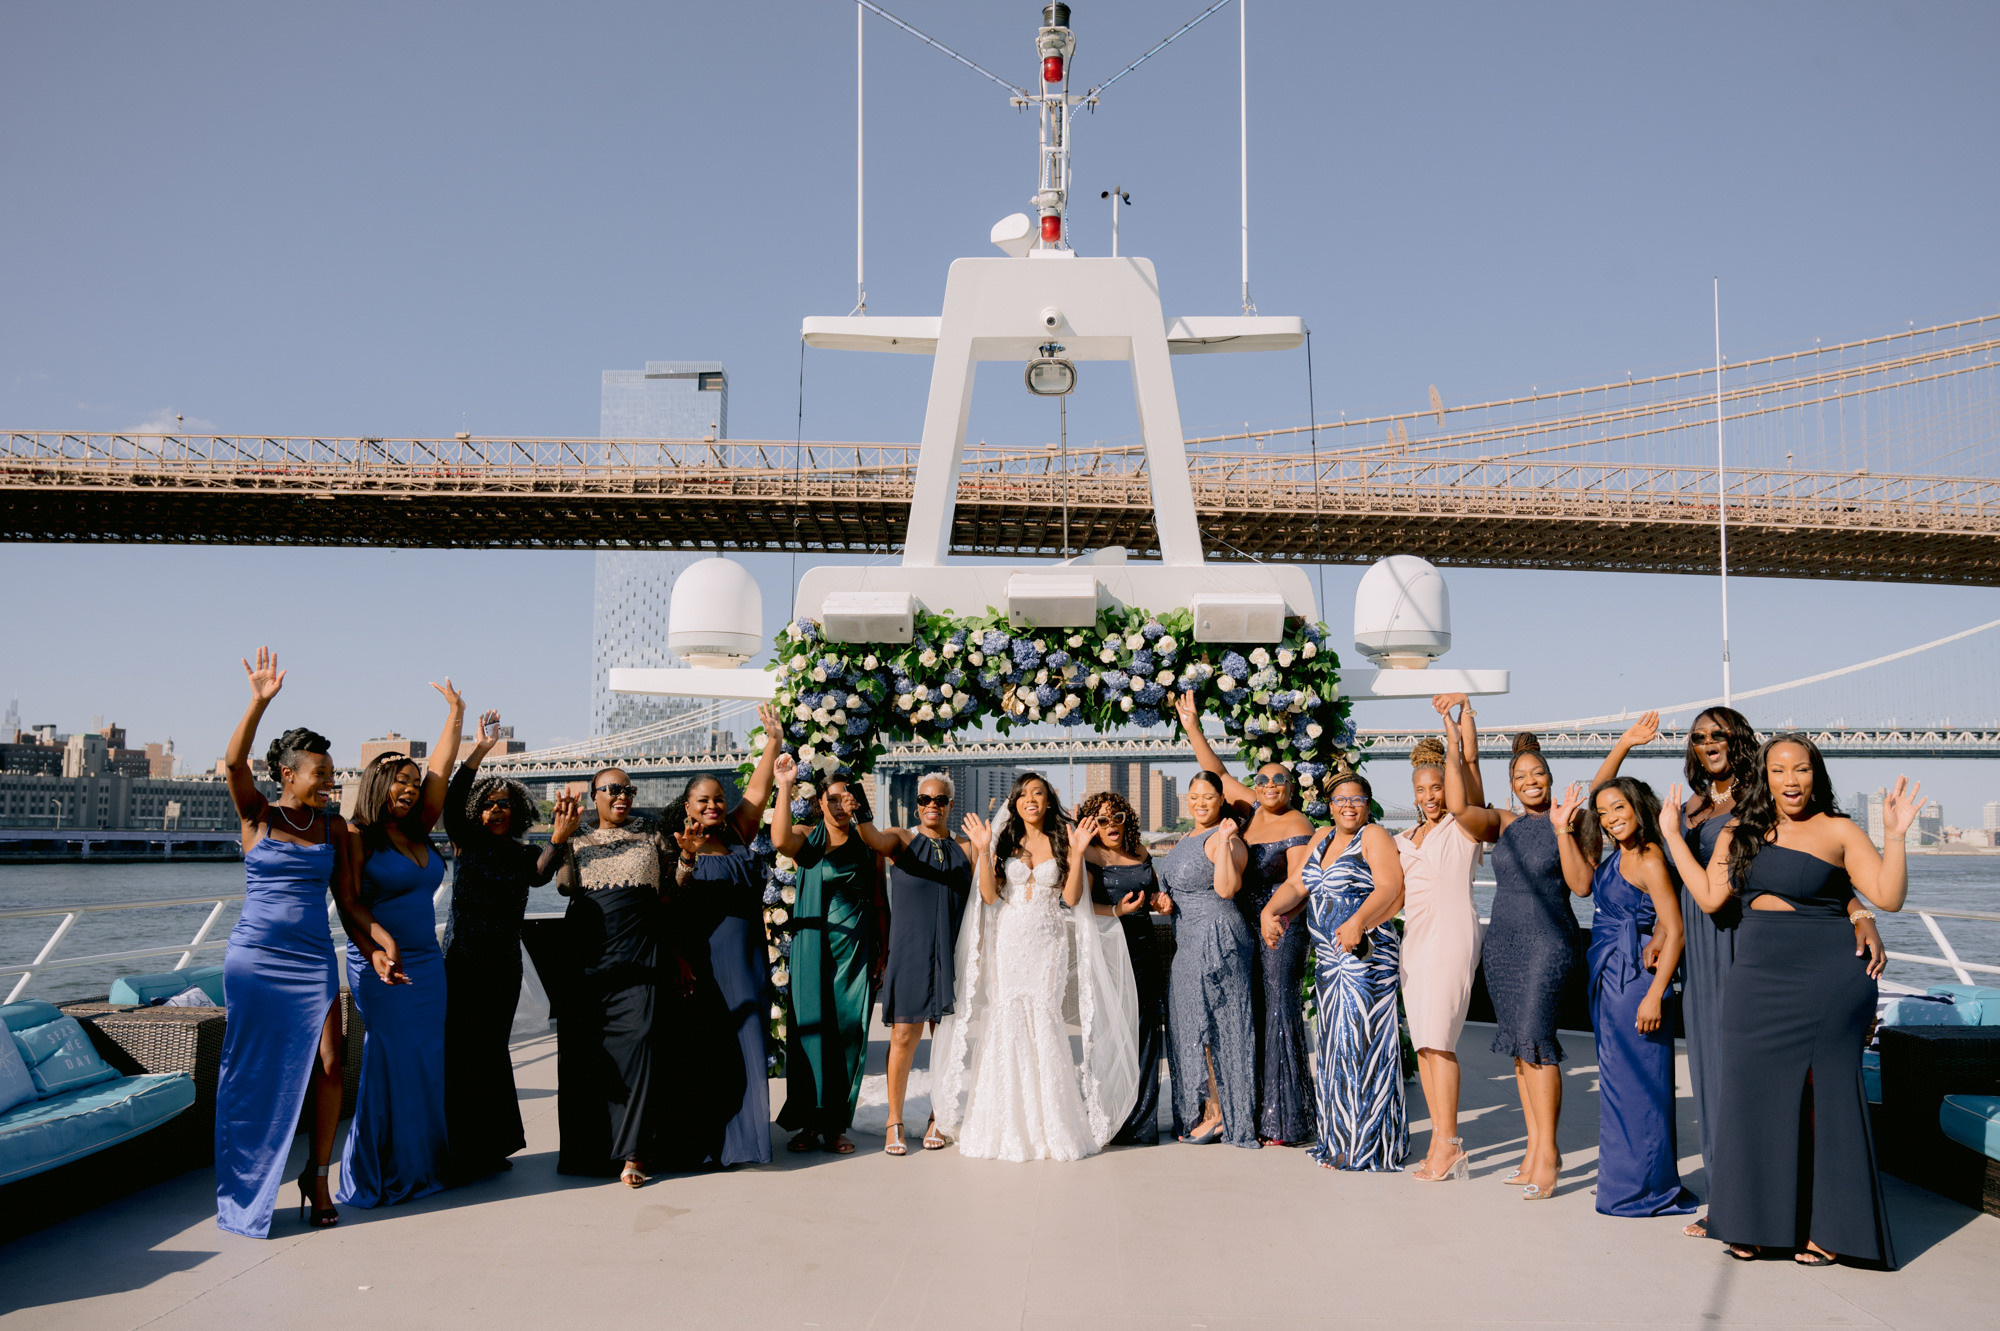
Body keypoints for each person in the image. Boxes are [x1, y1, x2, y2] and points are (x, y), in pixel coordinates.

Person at [1666, 736, 1916, 1268]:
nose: (1790, 780)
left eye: (1800, 769)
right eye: (1778, 770)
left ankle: (1831, 1231)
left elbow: (1888, 897)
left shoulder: (1840, 830)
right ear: (1766, 777)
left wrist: (1894, 837)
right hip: (1758, 976)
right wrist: (1672, 838)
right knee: (1751, 1095)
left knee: (1830, 1101)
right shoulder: (1741, 831)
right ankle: (1752, 1223)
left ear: (1815, 774)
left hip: (1830, 976)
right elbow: (1710, 899)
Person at [214, 647, 399, 1237]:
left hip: (311, 959)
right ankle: (246, 1180)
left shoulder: (334, 828)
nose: (331, 781)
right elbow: (232, 763)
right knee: (250, 1070)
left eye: (333, 772)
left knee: (329, 1066)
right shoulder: (257, 815)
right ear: (288, 774)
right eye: (321, 773)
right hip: (253, 959)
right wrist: (258, 702)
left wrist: (377, 941)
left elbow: (348, 903)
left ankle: (316, 1175)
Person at [931, 774, 1139, 1162]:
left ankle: (1050, 1123)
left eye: (1038, 793)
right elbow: (990, 898)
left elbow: (1073, 897)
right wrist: (982, 850)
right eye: (1024, 794)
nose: (1030, 799)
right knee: (1007, 1018)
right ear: (1016, 802)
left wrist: (1077, 853)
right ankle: (1006, 1122)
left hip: (1048, 942)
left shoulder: (1063, 840)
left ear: (1048, 801)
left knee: (1044, 1019)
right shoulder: (1005, 840)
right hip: (1010, 940)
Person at [336, 681, 465, 1210]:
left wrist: (456, 712)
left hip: (427, 966)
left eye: (414, 782)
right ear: (378, 785)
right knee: (389, 1058)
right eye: (399, 782)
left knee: (427, 1060)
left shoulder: (420, 829)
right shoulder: (355, 835)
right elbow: (347, 904)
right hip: (377, 963)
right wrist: (378, 946)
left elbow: (442, 769)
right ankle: (378, 1167)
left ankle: (423, 1165)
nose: (412, 788)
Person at [440, 709, 579, 1181]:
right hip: (461, 964)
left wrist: (558, 839)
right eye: (489, 804)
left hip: (502, 966)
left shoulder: (521, 854)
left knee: (492, 1053)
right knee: (461, 1054)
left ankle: (492, 1145)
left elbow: (540, 876)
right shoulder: (465, 844)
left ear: (516, 811)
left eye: (504, 804)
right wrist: (478, 750)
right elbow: (452, 798)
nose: (497, 809)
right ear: (476, 812)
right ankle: (462, 1148)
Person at [1174, 692, 1316, 1146]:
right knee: (1247, 1014)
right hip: (1243, 927)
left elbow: (1301, 881)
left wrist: (1276, 917)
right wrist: (1193, 727)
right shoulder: (1250, 815)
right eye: (1263, 779)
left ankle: (1284, 1119)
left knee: (1277, 1009)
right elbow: (1215, 774)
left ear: (1292, 788)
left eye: (1280, 779)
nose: (1270, 785)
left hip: (1280, 926)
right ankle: (1249, 1110)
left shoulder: (1297, 823)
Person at [1446, 730, 1581, 1200]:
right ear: (1511, 786)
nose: (1531, 781)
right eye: (1521, 776)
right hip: (1502, 941)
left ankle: (1549, 1153)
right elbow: (1460, 807)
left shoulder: (1571, 819)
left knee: (1537, 1041)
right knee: (1522, 1049)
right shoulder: (1503, 823)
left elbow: (1581, 885)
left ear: (1550, 777)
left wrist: (1564, 828)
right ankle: (1534, 1148)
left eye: (1538, 773)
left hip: (1547, 940)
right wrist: (1454, 738)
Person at [1553, 776, 1697, 1217]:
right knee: (1619, 1086)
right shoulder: (1618, 856)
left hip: (1635, 981)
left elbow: (1676, 930)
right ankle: (1626, 1183)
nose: (1611, 819)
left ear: (1638, 807)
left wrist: (1655, 995)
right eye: (1603, 813)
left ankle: (1643, 1190)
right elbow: (1580, 884)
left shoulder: (1650, 859)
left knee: (1641, 1089)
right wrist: (1563, 829)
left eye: (1619, 808)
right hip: (1609, 975)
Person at [1262, 771, 1408, 1171]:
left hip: (1365, 956)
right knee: (1331, 1048)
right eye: (1340, 799)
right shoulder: (1321, 836)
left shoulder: (1373, 837)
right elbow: (1297, 884)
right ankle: (1338, 1138)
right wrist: (1269, 909)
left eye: (1356, 799)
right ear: (1329, 805)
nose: (1348, 806)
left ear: (1368, 803)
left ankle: (1367, 1145)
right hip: (1328, 959)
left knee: (1362, 1045)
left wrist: (1359, 920)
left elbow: (1390, 887)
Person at [662, 706, 785, 1169]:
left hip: (748, 958)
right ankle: (705, 1144)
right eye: (703, 801)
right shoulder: (674, 842)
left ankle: (747, 1143)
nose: (713, 806)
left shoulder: (737, 830)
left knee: (748, 1044)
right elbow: (667, 904)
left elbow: (758, 788)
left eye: (717, 798)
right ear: (687, 806)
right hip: (702, 962)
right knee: (707, 1052)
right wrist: (687, 858)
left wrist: (773, 740)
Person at [553, 764, 675, 1185]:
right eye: (612, 790)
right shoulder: (578, 835)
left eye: (628, 789)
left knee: (639, 1041)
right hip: (586, 963)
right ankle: (590, 1152)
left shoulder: (652, 833)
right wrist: (560, 837)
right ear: (594, 796)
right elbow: (564, 887)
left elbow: (671, 887)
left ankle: (635, 1152)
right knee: (585, 1054)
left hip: (640, 956)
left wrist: (690, 856)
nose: (622, 796)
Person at [844, 770, 975, 1156]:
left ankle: (939, 1116)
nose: (931, 805)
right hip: (911, 949)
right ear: (915, 803)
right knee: (903, 1035)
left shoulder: (967, 847)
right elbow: (872, 838)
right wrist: (859, 809)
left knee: (946, 1040)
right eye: (924, 800)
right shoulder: (902, 838)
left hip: (952, 953)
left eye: (939, 800)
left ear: (950, 805)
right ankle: (894, 1120)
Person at [769, 755, 882, 1156]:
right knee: (810, 1032)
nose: (840, 805)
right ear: (820, 803)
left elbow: (879, 901)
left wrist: (880, 951)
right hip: (812, 950)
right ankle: (808, 1122)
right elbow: (780, 841)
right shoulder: (807, 835)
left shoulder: (868, 842)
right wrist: (784, 784)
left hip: (853, 952)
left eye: (846, 798)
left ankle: (835, 1124)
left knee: (847, 1034)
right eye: (832, 798)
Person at [1396, 698, 1485, 1181]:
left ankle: (1449, 1144)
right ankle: (1439, 1140)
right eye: (1422, 789)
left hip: (1452, 936)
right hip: (1416, 942)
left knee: (1441, 1041)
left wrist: (1458, 726)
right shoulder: (1404, 837)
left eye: (1437, 787)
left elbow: (1469, 767)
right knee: (1424, 1044)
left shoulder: (1463, 824)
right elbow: (1392, 893)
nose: (1430, 796)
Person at [1158, 770, 1259, 1148]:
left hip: (1217, 939)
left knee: (1215, 1028)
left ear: (1221, 802)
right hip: (1188, 940)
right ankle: (1206, 1108)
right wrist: (1163, 901)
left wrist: (1226, 840)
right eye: (1194, 796)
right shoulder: (1188, 836)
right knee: (1193, 1026)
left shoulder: (1225, 840)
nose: (1200, 803)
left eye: (1208, 797)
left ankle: (1220, 1115)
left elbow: (1226, 888)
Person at [1067, 790, 1172, 1145]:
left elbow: (1155, 895)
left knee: (1144, 1033)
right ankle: (1111, 1114)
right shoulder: (1090, 854)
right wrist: (1117, 912)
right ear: (1091, 825)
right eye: (1102, 820)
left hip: (1143, 950)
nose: (1111, 825)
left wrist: (1161, 901)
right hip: (1110, 951)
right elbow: (1076, 904)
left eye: (1118, 817)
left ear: (1127, 818)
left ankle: (1141, 1123)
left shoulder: (1140, 852)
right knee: (1112, 1032)